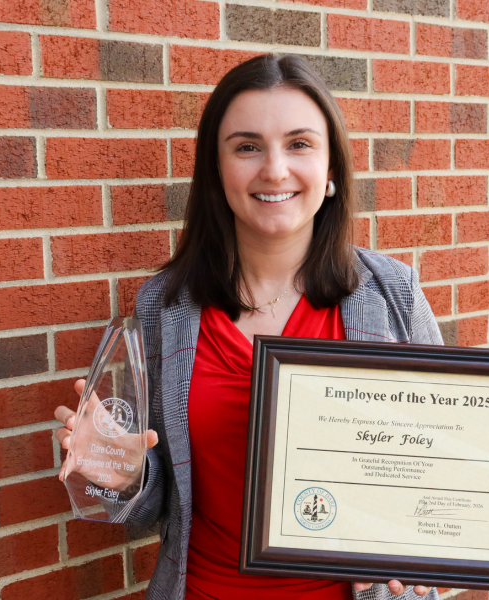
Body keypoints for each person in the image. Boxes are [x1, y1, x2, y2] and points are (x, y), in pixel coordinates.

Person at [54, 54, 443, 600]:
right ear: (217, 170)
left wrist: (430, 550)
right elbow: (158, 506)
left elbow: (442, 468)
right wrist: (123, 474)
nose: (275, 170)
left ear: (331, 170)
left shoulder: (392, 294)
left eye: (300, 144)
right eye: (247, 146)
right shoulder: (164, 307)